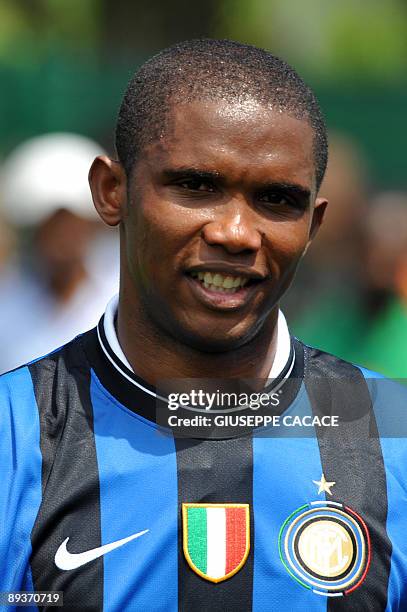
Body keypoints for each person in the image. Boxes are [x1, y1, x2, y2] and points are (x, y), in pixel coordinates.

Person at [0, 39, 406, 612]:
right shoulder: (13, 437)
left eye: (276, 200)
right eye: (196, 186)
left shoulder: (396, 437)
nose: (236, 232)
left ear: (313, 225)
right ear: (111, 192)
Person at [0, 133, 119, 373]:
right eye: (50, 224)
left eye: (70, 221)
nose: (62, 236)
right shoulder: (8, 308)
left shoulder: (127, 295)